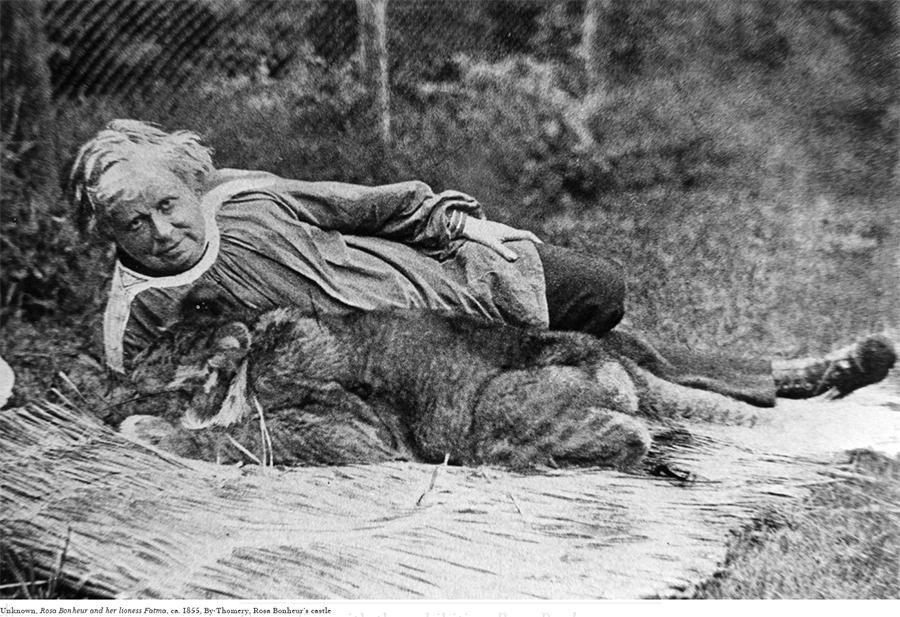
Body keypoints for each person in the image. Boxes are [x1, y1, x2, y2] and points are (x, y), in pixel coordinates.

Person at [69, 120, 895, 407]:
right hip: (397, 377)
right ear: (106, 233)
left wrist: (462, 229)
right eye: (130, 225)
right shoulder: (137, 312)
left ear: (189, 177)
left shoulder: (249, 199)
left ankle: (776, 376)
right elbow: (151, 395)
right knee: (611, 368)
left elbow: (377, 204)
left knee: (601, 295)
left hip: (441, 288)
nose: (159, 231)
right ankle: (791, 376)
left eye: (166, 204)